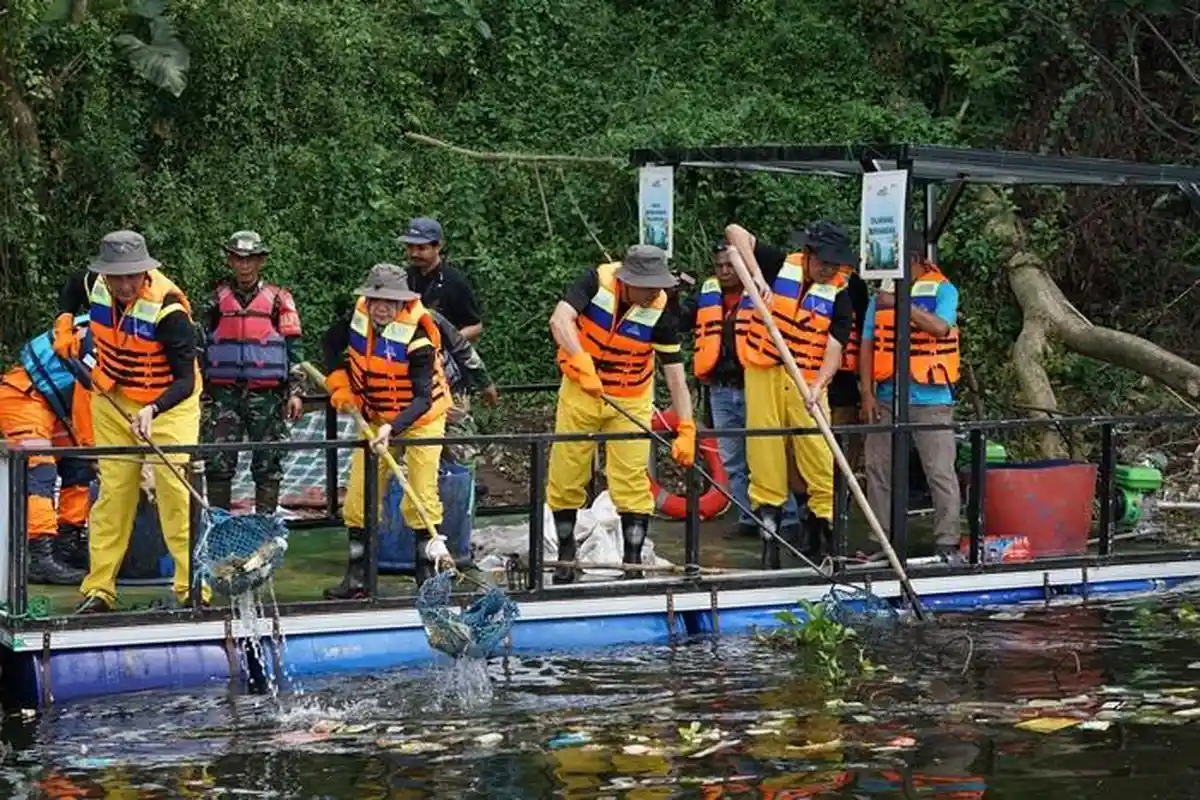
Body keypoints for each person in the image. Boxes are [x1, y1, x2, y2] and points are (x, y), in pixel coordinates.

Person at [74, 230, 206, 613]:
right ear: (106, 274)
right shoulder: (92, 284)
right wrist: (66, 324)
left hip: (170, 403)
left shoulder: (170, 312)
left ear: (145, 273)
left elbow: (185, 380)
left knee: (175, 494)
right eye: (118, 276)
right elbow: (70, 295)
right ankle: (99, 589)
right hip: (113, 395)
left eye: (133, 275)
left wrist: (153, 410)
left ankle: (192, 589)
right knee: (113, 494)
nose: (125, 284)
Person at [547, 245, 696, 582]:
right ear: (627, 280)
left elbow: (675, 374)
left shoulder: (662, 309)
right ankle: (567, 556)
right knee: (567, 470)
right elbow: (560, 319)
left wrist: (686, 426)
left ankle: (632, 564)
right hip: (582, 389)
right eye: (647, 287)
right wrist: (580, 359)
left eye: (658, 286)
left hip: (631, 398)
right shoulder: (594, 282)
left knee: (631, 477)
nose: (652, 293)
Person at [726, 220, 856, 569]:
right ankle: (771, 547)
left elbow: (835, 346)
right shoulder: (781, 265)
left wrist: (818, 385)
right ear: (809, 254)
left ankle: (826, 541)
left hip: (807, 380)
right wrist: (755, 276)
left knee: (818, 454)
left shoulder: (840, 295)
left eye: (835, 264)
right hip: (764, 371)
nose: (829, 270)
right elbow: (736, 232)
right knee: (765, 452)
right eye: (824, 262)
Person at [322, 263, 452, 597]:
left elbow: (423, 398)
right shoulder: (356, 321)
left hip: (421, 418)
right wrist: (340, 383)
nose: (381, 307)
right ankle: (358, 578)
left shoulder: (419, 338)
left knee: (421, 495)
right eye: (375, 299)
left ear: (402, 303)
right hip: (375, 415)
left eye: (389, 301)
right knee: (359, 496)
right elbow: (328, 345)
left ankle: (428, 578)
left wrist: (393, 429)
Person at [679, 242, 801, 540]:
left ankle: (788, 518)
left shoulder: (761, 290)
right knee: (733, 459)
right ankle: (748, 517)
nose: (723, 271)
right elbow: (682, 321)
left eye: (729, 265)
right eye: (719, 266)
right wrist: (670, 296)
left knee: (768, 453)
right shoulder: (708, 294)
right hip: (720, 389)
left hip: (755, 386)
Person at [859, 237, 962, 560]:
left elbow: (941, 328)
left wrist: (902, 303)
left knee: (939, 470)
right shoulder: (881, 297)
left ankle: (947, 542)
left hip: (931, 397)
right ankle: (882, 541)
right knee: (877, 468)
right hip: (887, 395)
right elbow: (867, 343)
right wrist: (867, 393)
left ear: (913, 259)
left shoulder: (943, 290)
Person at [199, 231, 304, 515]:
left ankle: (265, 527)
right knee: (218, 462)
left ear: (260, 261)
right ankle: (219, 524)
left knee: (268, 462)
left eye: (250, 260)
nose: (244, 266)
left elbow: (294, 350)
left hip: (267, 393)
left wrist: (295, 392)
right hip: (223, 394)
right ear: (230, 261)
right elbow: (201, 344)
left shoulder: (280, 300)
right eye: (238, 259)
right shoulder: (215, 300)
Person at [0, 315, 96, 583]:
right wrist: (94, 449)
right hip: (23, 398)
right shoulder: (94, 343)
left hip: (53, 407)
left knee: (79, 466)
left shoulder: (100, 335)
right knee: (40, 470)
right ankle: (40, 554)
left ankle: (68, 543)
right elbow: (86, 400)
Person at [431, 308, 499, 468]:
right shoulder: (368, 325)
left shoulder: (430, 318)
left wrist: (485, 383)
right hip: (403, 398)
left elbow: (463, 349)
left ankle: (466, 483)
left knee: (462, 449)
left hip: (449, 389)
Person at [399, 217, 484, 342]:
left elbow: (475, 327)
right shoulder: (404, 277)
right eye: (410, 247)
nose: (414, 254)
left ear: (438, 247)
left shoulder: (454, 281)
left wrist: (448, 343)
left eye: (421, 248)